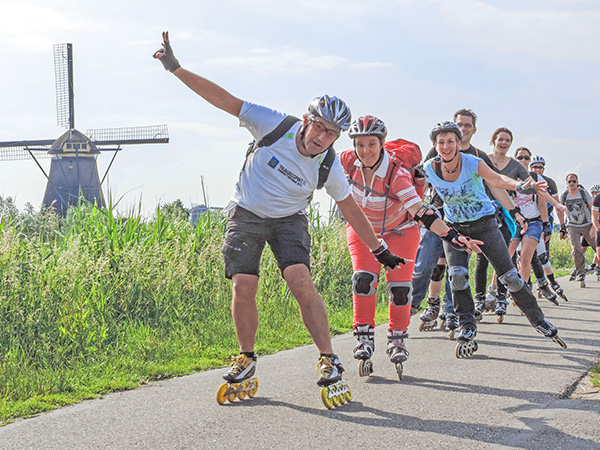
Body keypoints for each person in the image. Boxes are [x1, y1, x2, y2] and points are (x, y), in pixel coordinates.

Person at [153, 32, 407, 393]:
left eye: (332, 133)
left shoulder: (329, 165)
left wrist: (379, 248)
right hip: (247, 213)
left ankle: (328, 358)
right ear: (307, 119)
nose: (322, 137)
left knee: (301, 282)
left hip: (290, 220)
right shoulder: (273, 124)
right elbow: (222, 99)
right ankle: (246, 358)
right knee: (244, 285)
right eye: (319, 126)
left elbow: (349, 207)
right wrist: (176, 68)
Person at [339, 115, 479, 377]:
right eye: (360, 145)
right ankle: (364, 338)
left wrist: (451, 236)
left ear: (382, 144)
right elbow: (316, 167)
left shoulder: (397, 173)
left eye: (371, 144)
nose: (365, 151)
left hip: (401, 231)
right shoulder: (346, 160)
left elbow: (419, 210)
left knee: (401, 288)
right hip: (364, 229)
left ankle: (397, 338)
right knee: (362, 280)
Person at [422, 121, 566, 354]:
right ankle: (467, 326)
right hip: (454, 227)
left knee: (510, 276)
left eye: (450, 141)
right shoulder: (429, 168)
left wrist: (521, 186)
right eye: (441, 142)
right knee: (457, 276)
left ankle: (538, 320)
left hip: (485, 225)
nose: (446, 146)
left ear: (459, 143)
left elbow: (499, 180)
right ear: (435, 146)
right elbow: (412, 189)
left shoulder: (473, 163)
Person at [528, 155, 567, 299]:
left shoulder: (549, 182)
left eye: (540, 167)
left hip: (545, 219)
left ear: (544, 168)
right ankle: (529, 283)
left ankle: (543, 283)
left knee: (543, 255)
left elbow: (558, 206)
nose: (537, 170)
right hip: (527, 220)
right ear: (530, 168)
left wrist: (562, 226)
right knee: (525, 256)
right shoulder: (524, 180)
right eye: (534, 167)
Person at [558, 174, 597, 287]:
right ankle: (580, 273)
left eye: (574, 181)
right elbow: (560, 210)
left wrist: (594, 225)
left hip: (587, 224)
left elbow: (592, 206)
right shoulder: (564, 195)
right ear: (567, 183)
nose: (572, 183)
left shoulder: (583, 193)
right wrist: (562, 227)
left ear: (577, 182)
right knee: (576, 248)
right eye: (570, 181)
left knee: (596, 246)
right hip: (572, 225)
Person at [591, 184, 600, 280]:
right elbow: (594, 217)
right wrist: (598, 229)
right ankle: (596, 266)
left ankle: (595, 265)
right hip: (598, 224)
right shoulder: (597, 199)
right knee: (599, 252)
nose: (595, 194)